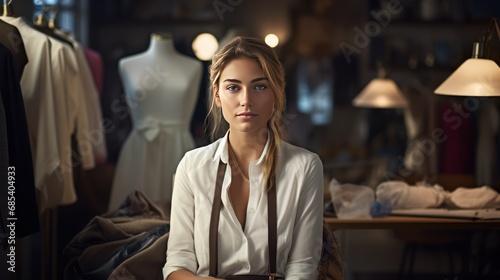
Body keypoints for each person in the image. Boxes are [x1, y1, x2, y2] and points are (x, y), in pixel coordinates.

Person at [163, 36, 324, 279]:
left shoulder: (305, 167)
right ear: (217, 95)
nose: (246, 100)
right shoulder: (192, 166)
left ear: (277, 91)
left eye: (259, 86)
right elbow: (177, 266)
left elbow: (302, 268)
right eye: (233, 87)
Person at [108, 32, 202, 212]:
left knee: (181, 216)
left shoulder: (194, 66)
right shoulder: (127, 65)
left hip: (179, 148)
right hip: (139, 148)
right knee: (131, 220)